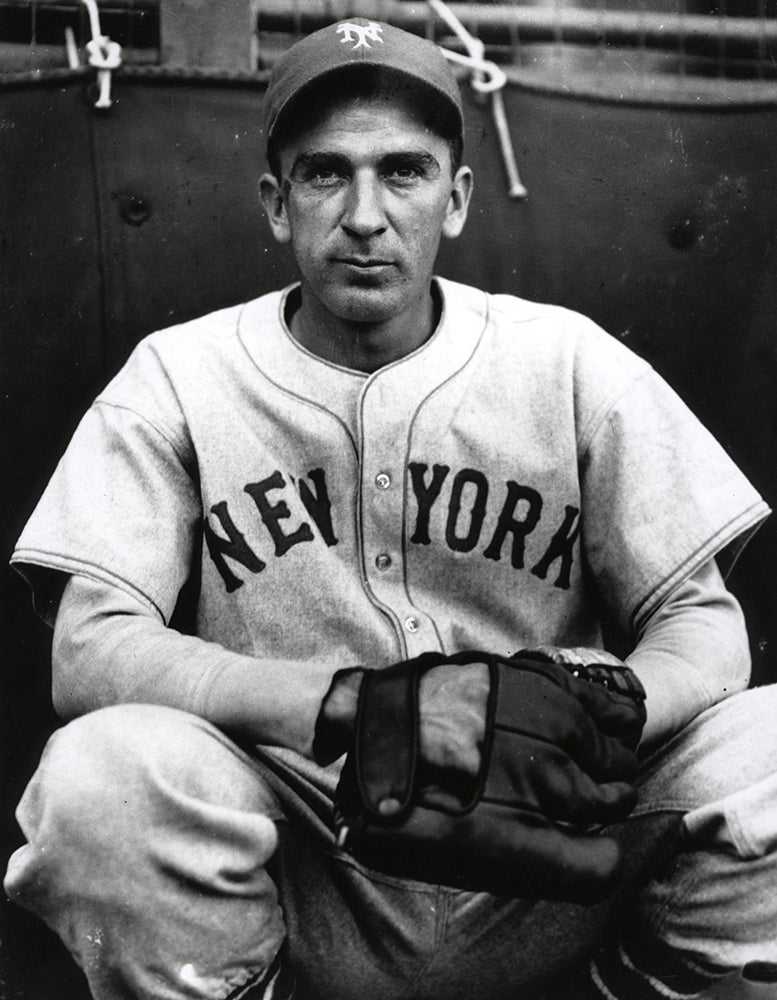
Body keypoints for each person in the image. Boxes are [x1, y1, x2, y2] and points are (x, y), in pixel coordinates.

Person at [5, 17, 777, 1000]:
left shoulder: (571, 363)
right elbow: (89, 646)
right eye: (327, 174)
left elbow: (703, 622)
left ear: (455, 200)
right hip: (309, 856)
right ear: (276, 205)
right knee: (99, 782)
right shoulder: (178, 377)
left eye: (403, 173)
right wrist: (343, 705)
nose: (365, 214)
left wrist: (618, 702)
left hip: (550, 859)